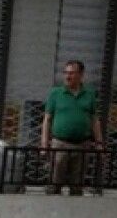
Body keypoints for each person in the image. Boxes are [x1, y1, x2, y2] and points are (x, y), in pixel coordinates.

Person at [41, 60, 103, 196]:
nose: (67, 76)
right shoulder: (56, 93)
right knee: (54, 181)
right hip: (60, 144)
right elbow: (47, 120)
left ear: (81, 75)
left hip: (82, 144)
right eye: (66, 73)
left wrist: (99, 142)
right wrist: (44, 144)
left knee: (77, 184)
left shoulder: (89, 94)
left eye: (72, 73)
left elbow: (94, 120)